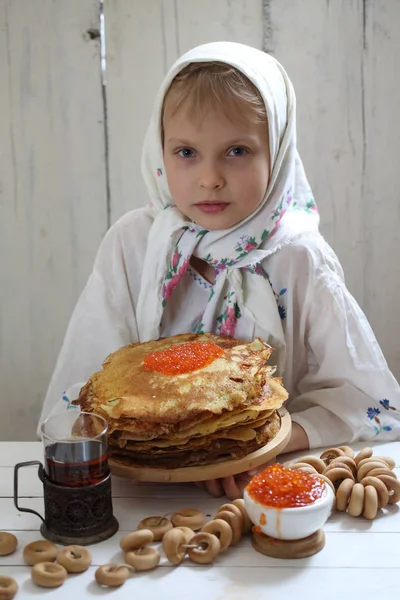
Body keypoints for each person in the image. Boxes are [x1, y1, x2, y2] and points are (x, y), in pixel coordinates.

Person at [38, 41, 400, 499]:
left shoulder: (298, 255)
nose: (209, 177)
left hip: (258, 485)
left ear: (279, 151)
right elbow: (89, 382)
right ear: (160, 149)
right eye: (186, 152)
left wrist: (259, 443)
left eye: (236, 151)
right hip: (138, 494)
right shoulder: (134, 243)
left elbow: (364, 397)